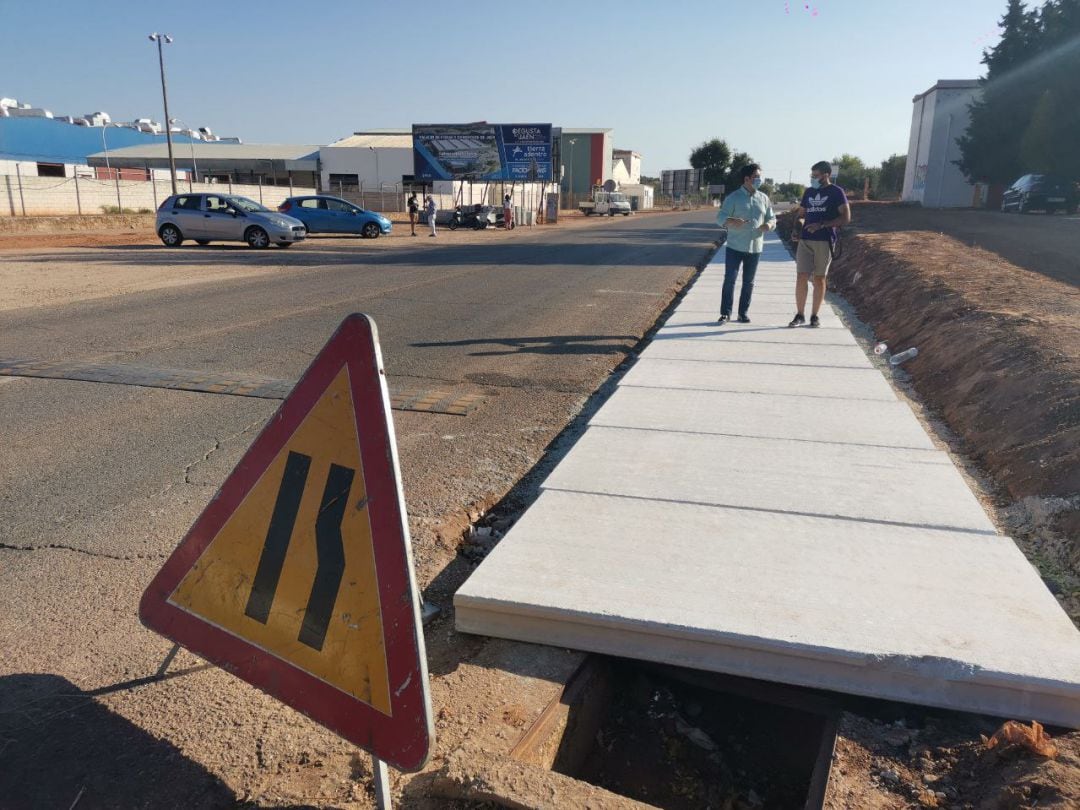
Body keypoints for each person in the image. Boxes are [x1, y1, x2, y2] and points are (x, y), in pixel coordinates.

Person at [789, 161, 851, 328]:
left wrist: (822, 225)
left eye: (816, 176)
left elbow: (845, 218)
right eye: (812, 176)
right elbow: (801, 214)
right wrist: (796, 228)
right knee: (801, 276)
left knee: (819, 278)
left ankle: (814, 316)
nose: (813, 179)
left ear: (826, 175)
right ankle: (800, 314)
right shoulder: (809, 192)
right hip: (805, 240)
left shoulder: (837, 192)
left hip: (825, 241)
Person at [715, 163, 776, 324]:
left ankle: (743, 313)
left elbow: (772, 218)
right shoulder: (733, 198)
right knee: (730, 280)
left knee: (749, 283)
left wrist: (768, 225)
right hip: (735, 247)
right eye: (756, 177)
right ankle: (725, 313)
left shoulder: (764, 198)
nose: (759, 179)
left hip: (755, 248)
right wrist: (732, 221)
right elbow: (720, 218)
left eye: (760, 176)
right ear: (747, 178)